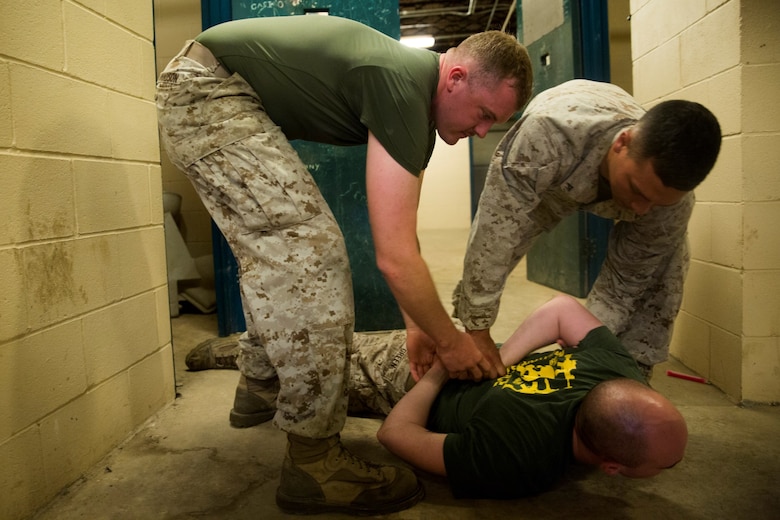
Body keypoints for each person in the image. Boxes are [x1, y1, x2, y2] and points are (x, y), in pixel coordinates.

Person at [155, 14, 533, 515]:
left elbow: (402, 236)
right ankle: (315, 462)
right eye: (483, 114)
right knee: (311, 254)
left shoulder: (415, 98)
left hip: (211, 88)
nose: (481, 131)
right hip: (207, 91)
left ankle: (260, 385)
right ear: (456, 77)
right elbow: (394, 258)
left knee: (279, 252)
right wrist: (450, 342)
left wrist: (416, 325)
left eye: (494, 123)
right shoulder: (403, 85)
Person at [452, 79, 722, 378]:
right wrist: (478, 330)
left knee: (665, 268)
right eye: (638, 191)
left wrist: (582, 344)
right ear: (623, 143)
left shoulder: (670, 205)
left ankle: (632, 372)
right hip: (559, 169)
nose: (640, 208)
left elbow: (623, 285)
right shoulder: (547, 136)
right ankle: (465, 330)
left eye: (656, 202)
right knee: (498, 248)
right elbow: (494, 233)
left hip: (599, 167)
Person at [346, 294, 688, 499]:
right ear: (610, 467)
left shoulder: (616, 367)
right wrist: (446, 370)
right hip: (400, 376)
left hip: (447, 356)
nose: (675, 464)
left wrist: (489, 360)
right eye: (667, 465)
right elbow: (394, 433)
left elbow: (562, 309)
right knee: (304, 375)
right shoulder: (521, 460)